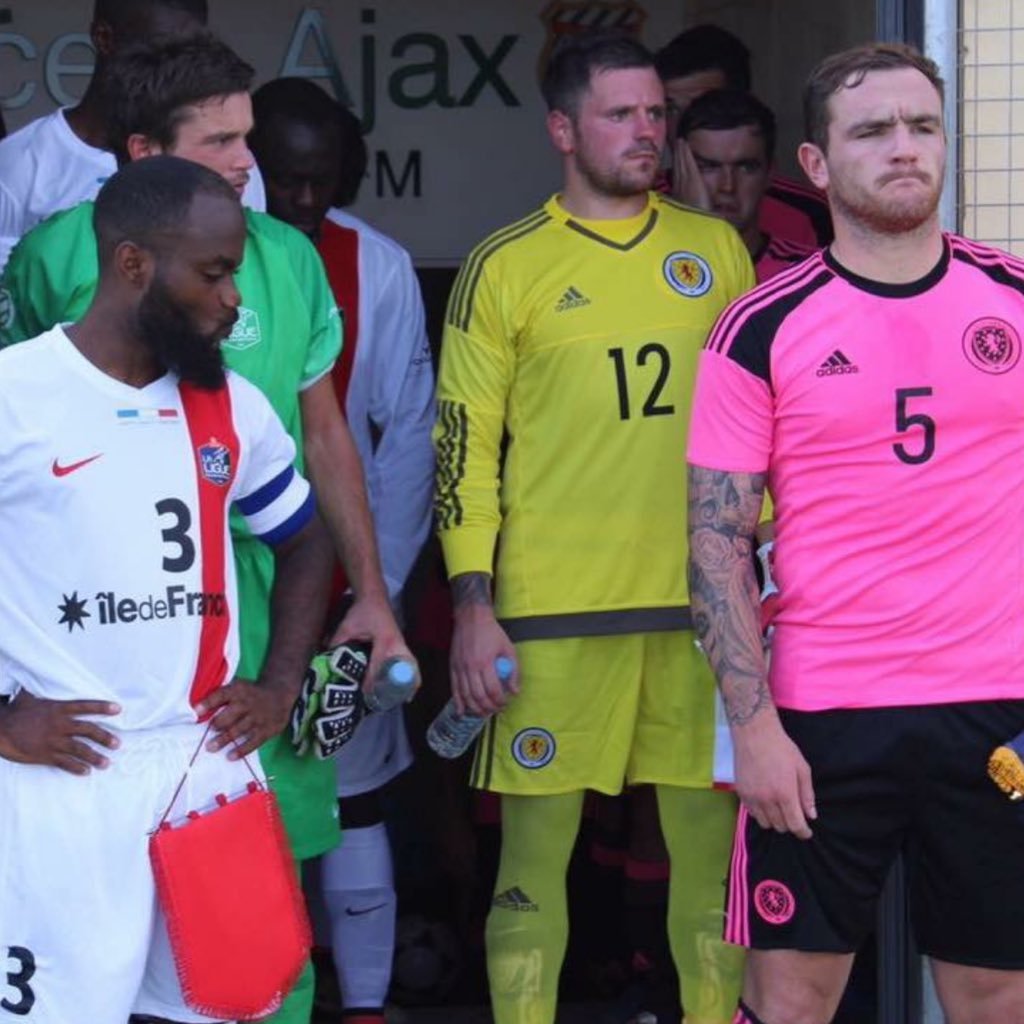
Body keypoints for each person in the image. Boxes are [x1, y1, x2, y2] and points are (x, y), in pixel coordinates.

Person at [0, 33, 409, 1024]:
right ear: (134, 265)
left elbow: (304, 532)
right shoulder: (19, 394)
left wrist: (276, 682)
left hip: (203, 768)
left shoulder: (231, 406)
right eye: (215, 276)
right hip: (66, 778)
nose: (235, 301)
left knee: (232, 1004)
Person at [687, 42, 1024, 1024]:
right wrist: (751, 729)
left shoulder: (1012, 298)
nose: (904, 148)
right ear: (821, 165)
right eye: (872, 130)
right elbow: (713, 545)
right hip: (819, 718)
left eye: (921, 126)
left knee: (996, 994)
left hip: (996, 712)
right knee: (789, 998)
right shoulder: (757, 326)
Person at [434, 30, 754, 1024]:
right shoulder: (504, 264)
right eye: (622, 114)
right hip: (553, 619)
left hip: (700, 616)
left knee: (710, 873)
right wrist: (473, 605)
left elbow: (759, 430)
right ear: (563, 129)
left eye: (656, 113)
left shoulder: (715, 250)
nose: (647, 130)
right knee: (531, 873)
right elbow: (461, 451)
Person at [250, 76, 435, 1024]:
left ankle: (363, 1004)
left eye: (324, 181)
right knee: (241, 806)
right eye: (286, 180)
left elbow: (406, 442)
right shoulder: (207, 250)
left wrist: (380, 589)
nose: (306, 200)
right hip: (232, 582)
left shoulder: (383, 266)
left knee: (353, 784)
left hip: (349, 583)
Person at [0, 0, 266, 273]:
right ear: (104, 38)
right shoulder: (18, 163)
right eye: (162, 48)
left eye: (196, 48)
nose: (182, 62)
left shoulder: (238, 171)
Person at [655, 23, 832, 248]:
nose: (680, 123)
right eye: (668, 109)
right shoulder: (637, 206)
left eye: (703, 104)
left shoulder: (808, 212)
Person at [678, 89, 815, 283]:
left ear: (770, 173)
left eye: (746, 168)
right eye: (708, 167)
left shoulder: (808, 273)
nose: (727, 186)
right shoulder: (648, 264)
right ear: (680, 171)